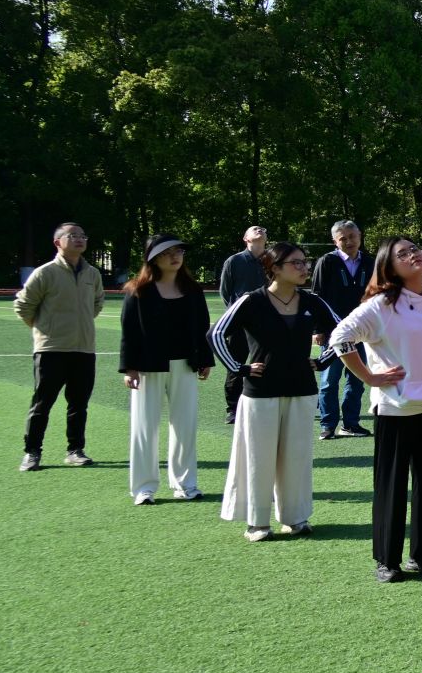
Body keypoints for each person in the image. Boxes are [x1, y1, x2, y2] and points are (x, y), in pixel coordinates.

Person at [327, 236, 422, 583]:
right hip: (395, 407)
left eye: (416, 249)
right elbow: (340, 337)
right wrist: (369, 376)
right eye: (403, 254)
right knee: (392, 485)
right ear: (389, 265)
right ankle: (387, 560)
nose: (414, 255)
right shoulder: (381, 305)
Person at [210, 242, 340, 541]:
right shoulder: (251, 300)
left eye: (305, 262)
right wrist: (240, 368)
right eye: (296, 263)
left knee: (297, 457)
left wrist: (322, 361)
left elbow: (345, 331)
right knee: (258, 458)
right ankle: (257, 522)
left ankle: (296, 518)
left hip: (301, 389)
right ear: (275, 268)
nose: (304, 268)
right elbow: (216, 333)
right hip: (261, 392)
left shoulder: (312, 301)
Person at [118, 234, 214, 504]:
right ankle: (143, 488)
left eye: (178, 251)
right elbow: (129, 332)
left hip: (185, 365)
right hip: (148, 367)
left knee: (185, 426)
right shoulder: (138, 290)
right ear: (153, 258)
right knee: (144, 428)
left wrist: (205, 360)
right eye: (166, 252)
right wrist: (129, 368)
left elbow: (202, 327)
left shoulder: (192, 290)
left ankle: (185, 484)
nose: (175, 257)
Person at [15, 222, 105, 472]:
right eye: (72, 235)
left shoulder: (92, 274)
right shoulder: (45, 273)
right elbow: (23, 305)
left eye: (82, 235)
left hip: (84, 349)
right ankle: (32, 452)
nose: (79, 239)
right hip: (51, 350)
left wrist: (81, 326)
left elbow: (97, 303)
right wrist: (44, 330)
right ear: (58, 242)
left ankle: (75, 450)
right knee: (42, 404)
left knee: (79, 404)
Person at [311, 220, 369, 440]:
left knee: (357, 379)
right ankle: (328, 424)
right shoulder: (327, 262)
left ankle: (351, 424)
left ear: (360, 236)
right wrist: (318, 329)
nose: (349, 241)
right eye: (343, 238)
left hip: (362, 332)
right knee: (329, 380)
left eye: (352, 236)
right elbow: (317, 296)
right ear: (335, 241)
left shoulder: (370, 262)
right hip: (333, 332)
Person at [216, 226, 271, 424]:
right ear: (245, 238)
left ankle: (263, 402)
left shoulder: (271, 260)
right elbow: (225, 292)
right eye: (255, 229)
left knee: (268, 363)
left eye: (263, 229)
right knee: (236, 364)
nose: (260, 230)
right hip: (240, 321)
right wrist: (236, 314)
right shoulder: (234, 261)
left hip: (266, 321)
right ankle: (233, 408)